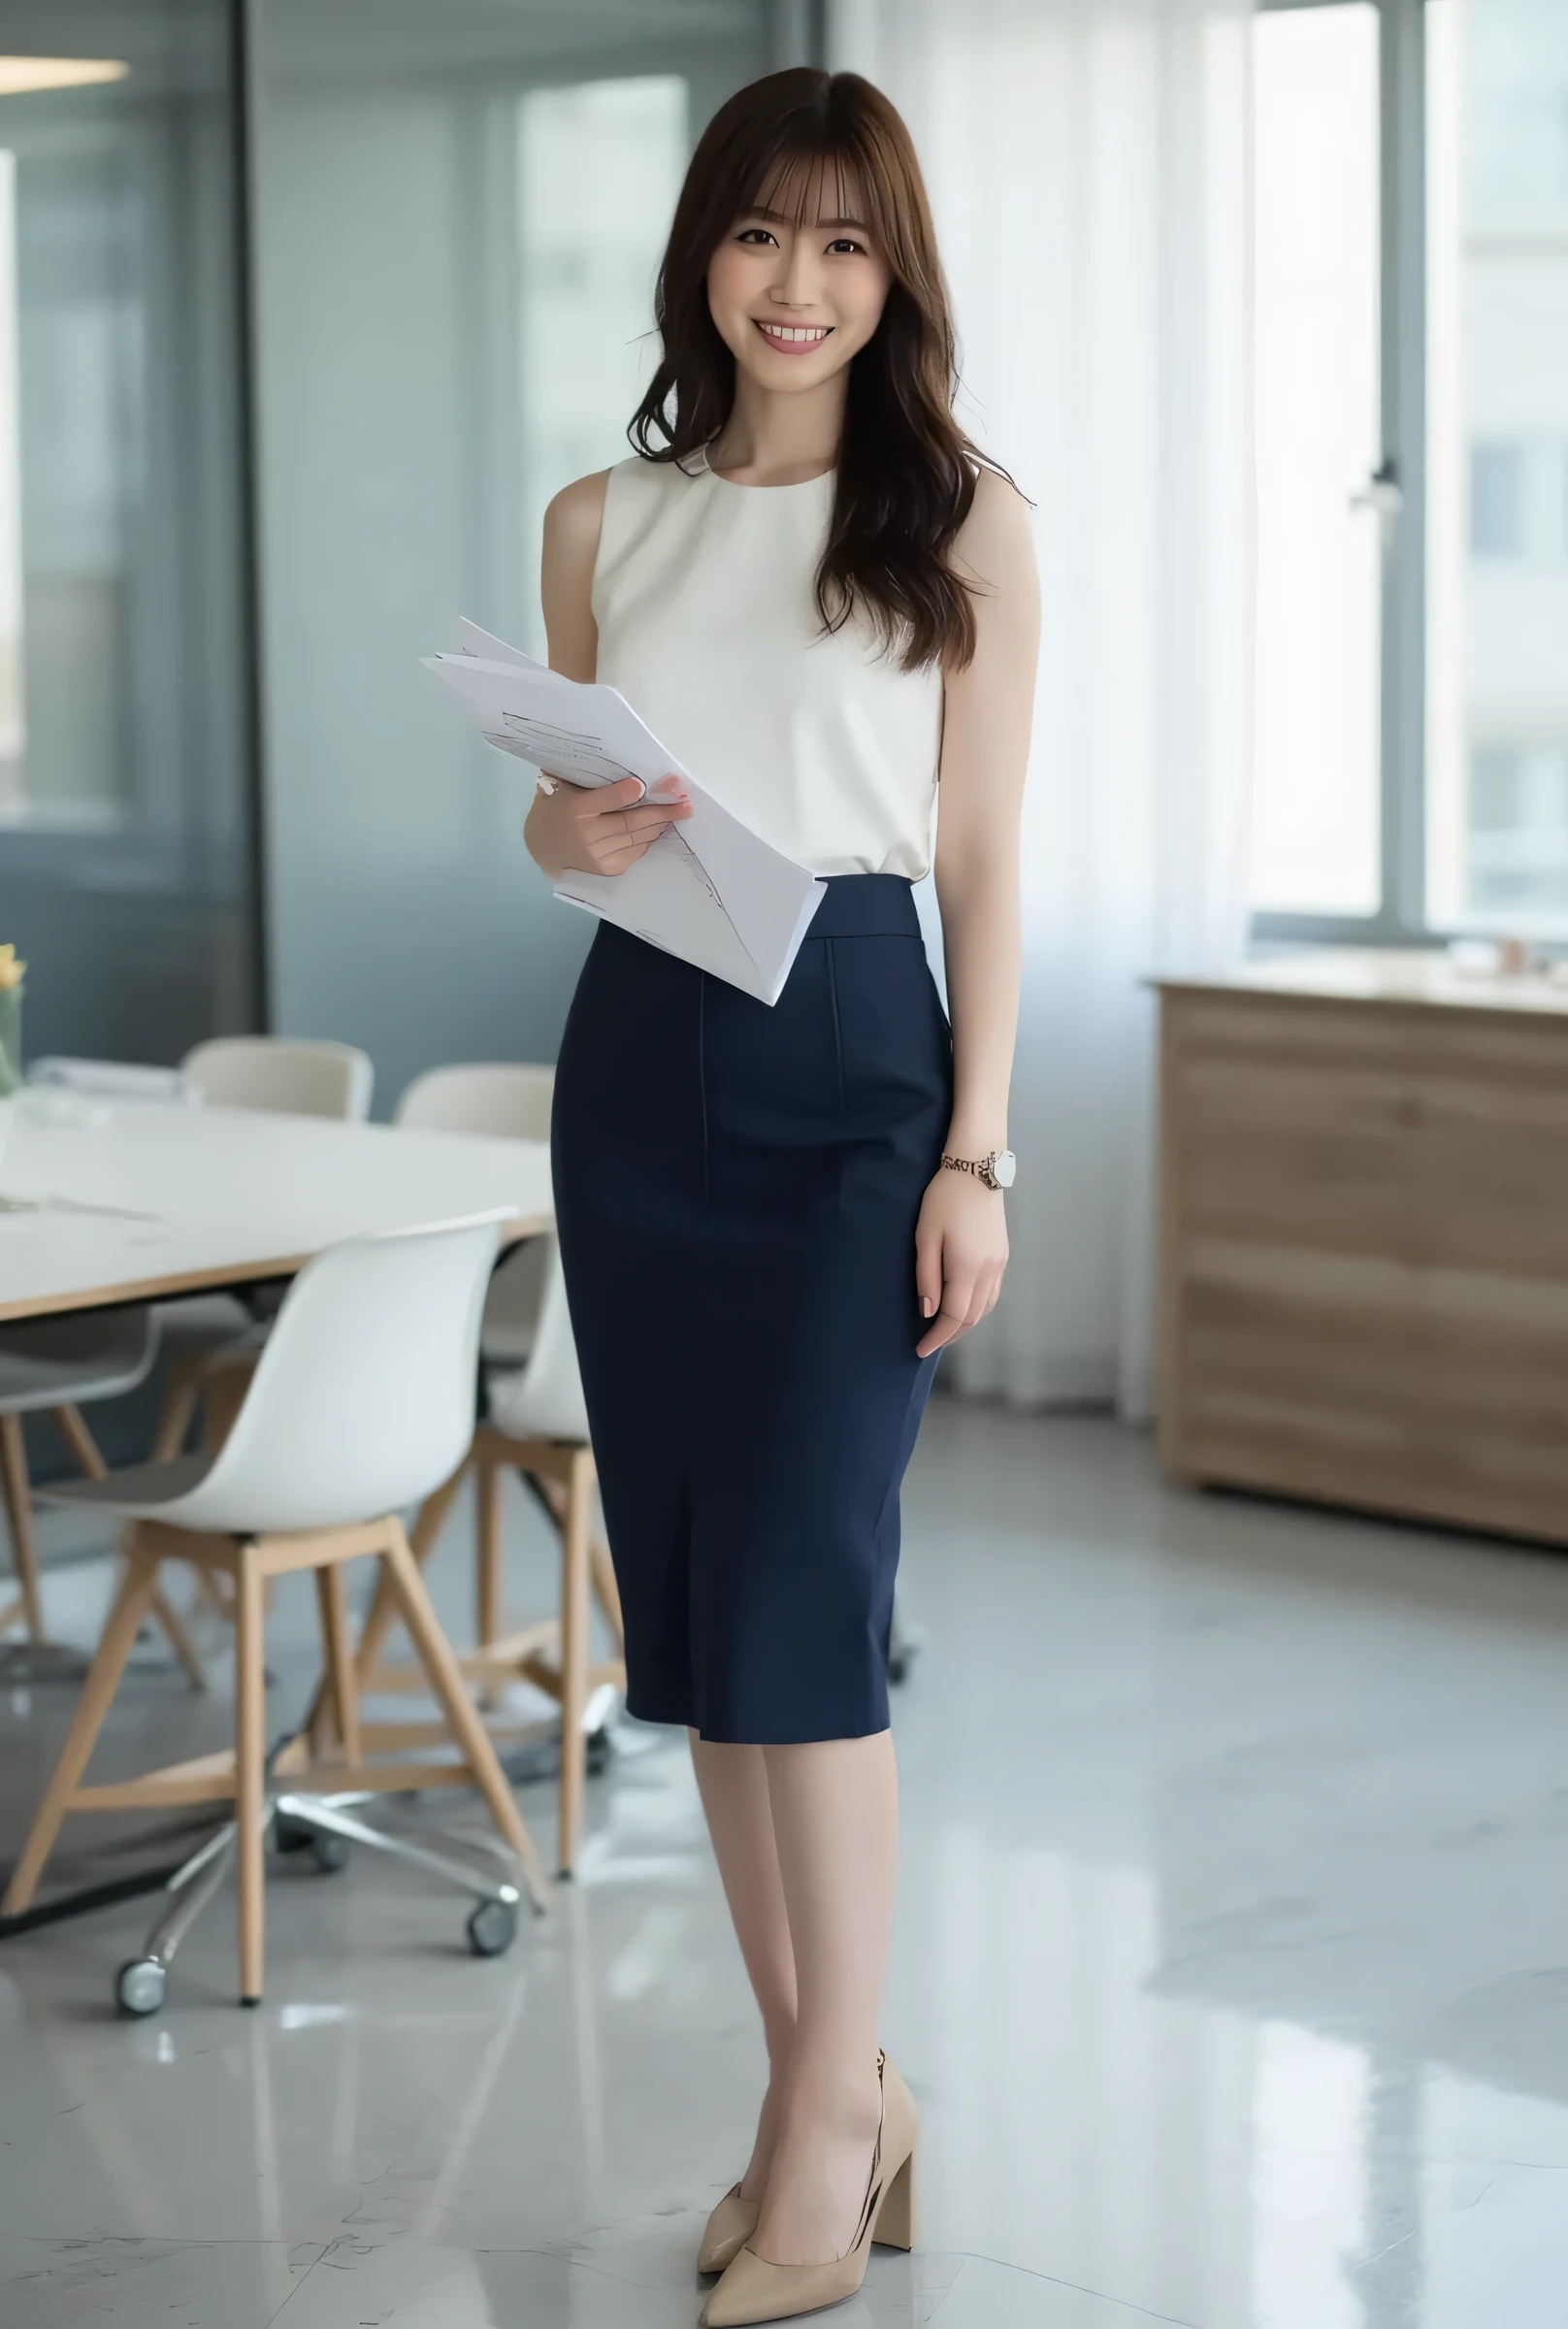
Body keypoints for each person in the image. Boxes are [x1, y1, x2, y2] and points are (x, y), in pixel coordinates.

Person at [525, 66, 1036, 2328]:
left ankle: (832, 2123)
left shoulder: (966, 521)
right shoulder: (598, 519)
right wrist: (567, 840)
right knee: (712, 1623)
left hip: (854, 1057)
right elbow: (563, 814)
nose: (796, 285)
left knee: (812, 1598)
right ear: (699, 255)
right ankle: (819, 2088)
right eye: (758, 236)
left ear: (890, 271)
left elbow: (990, 856)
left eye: (842, 244)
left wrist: (974, 1149)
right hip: (640, 1061)